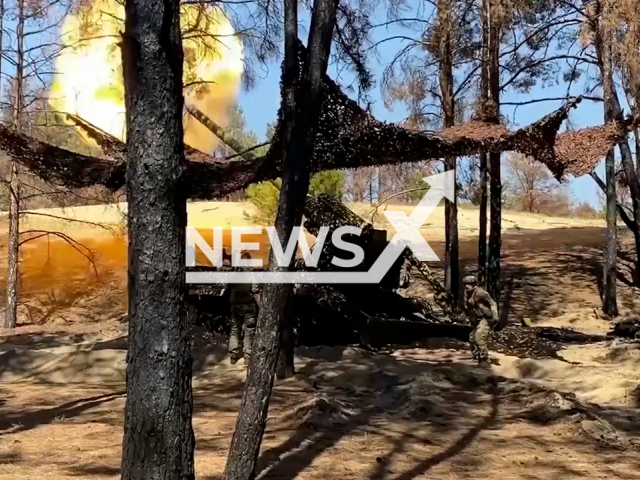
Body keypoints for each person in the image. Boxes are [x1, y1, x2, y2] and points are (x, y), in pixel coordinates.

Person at [228, 252, 261, 365]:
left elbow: (229, 288)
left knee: (234, 330)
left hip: (235, 306)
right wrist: (260, 305)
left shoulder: (235, 274)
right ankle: (247, 356)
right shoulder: (252, 275)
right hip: (249, 306)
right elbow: (255, 291)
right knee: (249, 331)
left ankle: (233, 354)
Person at [463, 275, 499, 367]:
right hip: (476, 318)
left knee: (479, 337)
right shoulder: (466, 293)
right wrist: (467, 317)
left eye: (469, 284)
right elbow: (468, 307)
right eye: (465, 284)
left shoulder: (481, 293)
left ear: (473, 284)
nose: (466, 286)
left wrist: (495, 315)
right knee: (472, 338)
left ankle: (484, 360)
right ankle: (476, 357)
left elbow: (492, 303)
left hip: (486, 318)